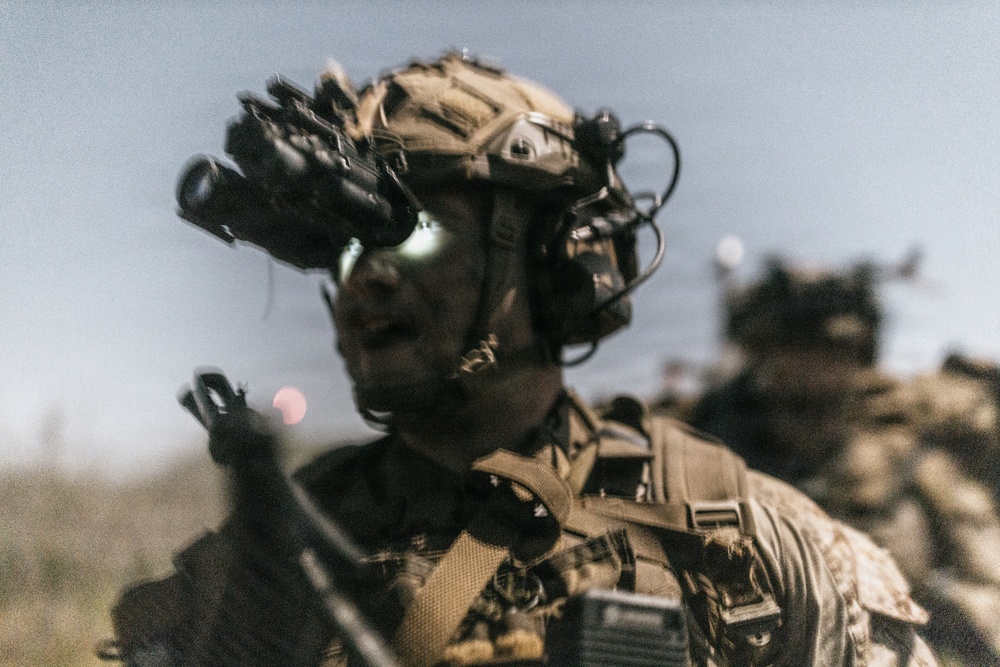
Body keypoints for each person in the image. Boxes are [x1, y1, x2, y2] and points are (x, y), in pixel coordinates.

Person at [104, 52, 937, 667]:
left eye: (415, 234)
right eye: (347, 250)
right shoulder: (259, 570)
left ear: (549, 260)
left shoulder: (757, 543)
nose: (366, 281)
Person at [670, 256, 1000, 664]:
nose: (816, 370)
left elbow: (986, 584)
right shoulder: (694, 459)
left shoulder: (910, 465)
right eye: (798, 348)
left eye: (836, 350)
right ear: (762, 352)